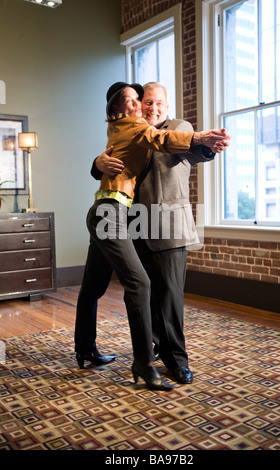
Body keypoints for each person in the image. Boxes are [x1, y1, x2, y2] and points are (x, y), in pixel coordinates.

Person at [74, 81, 226, 391]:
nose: (151, 108)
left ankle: (176, 360)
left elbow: (183, 146)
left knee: (168, 298)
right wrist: (96, 163)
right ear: (135, 106)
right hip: (129, 222)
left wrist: (206, 144)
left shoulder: (176, 127)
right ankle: (128, 351)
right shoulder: (132, 127)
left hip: (167, 226)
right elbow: (112, 160)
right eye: (145, 102)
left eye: (158, 103)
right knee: (126, 289)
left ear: (166, 107)